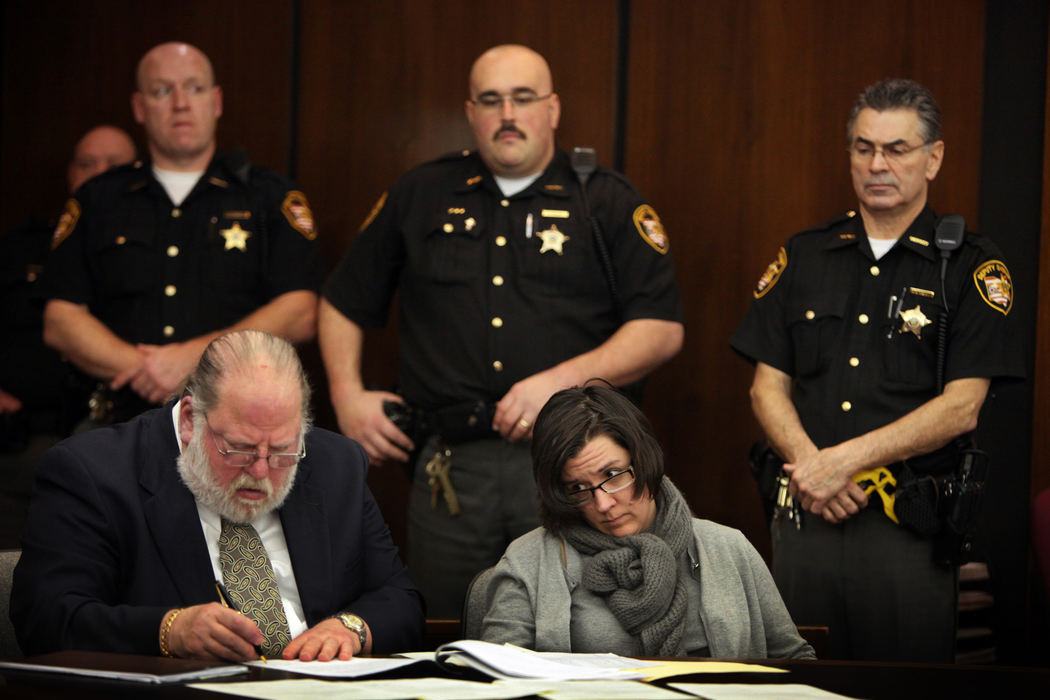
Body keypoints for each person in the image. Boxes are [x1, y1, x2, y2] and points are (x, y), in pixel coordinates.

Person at [320, 44, 684, 617]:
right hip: (451, 472)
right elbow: (342, 300)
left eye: (523, 98)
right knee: (445, 623)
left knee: (588, 624)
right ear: (470, 112)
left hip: (576, 466)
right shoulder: (422, 194)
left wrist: (560, 385)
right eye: (491, 100)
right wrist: (346, 395)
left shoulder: (605, 200)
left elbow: (660, 329)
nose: (507, 114)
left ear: (554, 109)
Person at [730, 79, 1024, 661]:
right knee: (794, 684)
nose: (877, 164)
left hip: (904, 530)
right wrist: (815, 470)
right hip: (805, 520)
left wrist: (843, 463)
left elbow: (963, 405)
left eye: (897, 149)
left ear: (933, 158)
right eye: (864, 148)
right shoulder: (806, 255)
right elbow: (767, 387)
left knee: (903, 685)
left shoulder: (971, 267)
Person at [11, 330, 424, 660]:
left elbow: (400, 599)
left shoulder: (336, 465)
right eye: (240, 448)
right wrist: (170, 630)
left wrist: (350, 629)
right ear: (191, 419)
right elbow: (46, 620)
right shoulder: (93, 473)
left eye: (281, 451)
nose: (261, 471)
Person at [39, 42, 322, 427]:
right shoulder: (98, 199)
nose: (180, 103)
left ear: (217, 101)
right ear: (139, 107)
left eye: (194, 88)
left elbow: (300, 311)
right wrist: (149, 369)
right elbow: (60, 318)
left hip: (238, 425)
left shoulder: (269, 196)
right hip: (117, 424)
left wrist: (196, 358)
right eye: (162, 90)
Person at [479, 384, 814, 659]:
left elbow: (796, 663)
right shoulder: (529, 560)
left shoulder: (728, 547)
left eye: (612, 475)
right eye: (577, 488)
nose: (603, 503)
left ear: (644, 460)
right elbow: (497, 679)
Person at [0, 126, 136, 544]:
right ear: (69, 174)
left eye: (114, 165)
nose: (98, 174)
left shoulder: (158, 259)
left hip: (118, 433)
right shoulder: (21, 248)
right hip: (22, 433)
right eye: (86, 163)